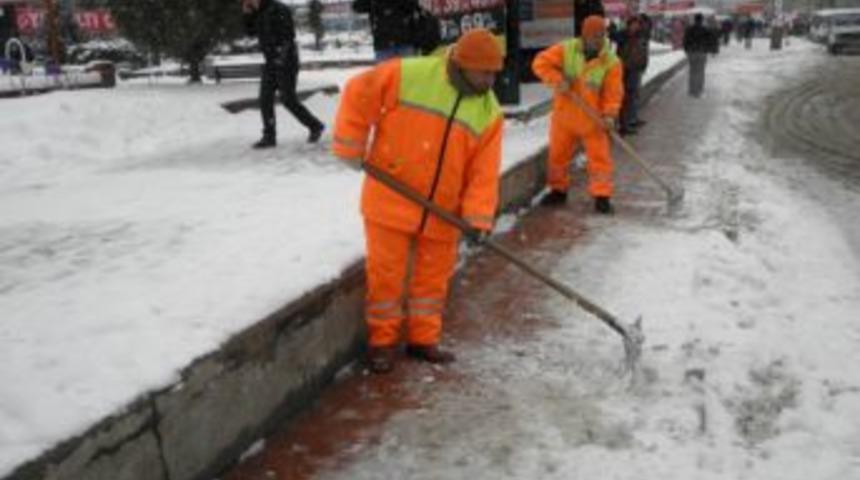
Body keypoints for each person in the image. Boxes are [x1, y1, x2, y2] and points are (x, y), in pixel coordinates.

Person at [331, 29, 504, 374]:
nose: (490, 80)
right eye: (484, 72)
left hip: (444, 210)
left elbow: (484, 173)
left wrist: (478, 218)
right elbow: (358, 92)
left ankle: (424, 339)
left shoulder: (489, 112)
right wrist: (350, 143)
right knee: (386, 277)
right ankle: (382, 343)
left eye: (494, 73)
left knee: (432, 280)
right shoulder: (410, 74)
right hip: (391, 197)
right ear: (462, 64)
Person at [532, 15, 623, 214]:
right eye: (593, 36)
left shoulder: (611, 62)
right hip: (564, 117)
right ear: (584, 36)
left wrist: (609, 115)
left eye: (601, 36)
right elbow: (539, 63)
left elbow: (613, 94)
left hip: (593, 121)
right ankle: (558, 190)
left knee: (600, 159)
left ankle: (602, 196)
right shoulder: (567, 50)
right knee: (557, 157)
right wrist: (557, 80)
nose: (598, 41)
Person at [242, 0, 325, 149]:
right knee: (265, 99)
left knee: (288, 99)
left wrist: (281, 58)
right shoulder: (258, 12)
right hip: (270, 61)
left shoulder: (279, 9)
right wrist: (248, 15)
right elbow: (250, 32)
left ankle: (315, 126)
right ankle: (269, 136)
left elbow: (288, 36)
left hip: (286, 60)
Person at [352, 0, 438, 61]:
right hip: (384, 44)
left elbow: (413, 6)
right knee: (385, 80)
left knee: (407, 78)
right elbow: (357, 7)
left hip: (404, 42)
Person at [615, 15, 648, 135]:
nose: (636, 26)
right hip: (624, 70)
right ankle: (623, 125)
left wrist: (643, 65)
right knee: (624, 98)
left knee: (632, 96)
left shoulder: (639, 36)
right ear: (629, 24)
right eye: (634, 24)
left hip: (635, 69)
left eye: (638, 24)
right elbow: (614, 40)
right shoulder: (623, 35)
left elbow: (642, 52)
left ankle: (629, 122)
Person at [683, 13, 712, 98]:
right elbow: (709, 41)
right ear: (702, 20)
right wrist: (707, 49)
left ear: (694, 20)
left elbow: (685, 40)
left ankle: (692, 90)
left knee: (692, 71)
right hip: (702, 52)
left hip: (692, 52)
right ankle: (699, 90)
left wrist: (687, 50)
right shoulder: (705, 29)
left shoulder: (689, 29)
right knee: (700, 72)